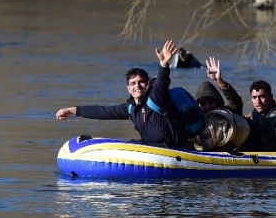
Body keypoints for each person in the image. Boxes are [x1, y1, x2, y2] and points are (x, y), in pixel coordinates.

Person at [55, 39, 194, 149]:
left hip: (173, 149)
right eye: (133, 83)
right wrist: (72, 110)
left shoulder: (156, 97)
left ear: (147, 84)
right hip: (153, 148)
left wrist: (163, 64)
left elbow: (162, 83)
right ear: (128, 88)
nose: (137, 86)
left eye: (141, 82)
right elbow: (103, 112)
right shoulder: (130, 108)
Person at [239, 80, 276, 165]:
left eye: (262, 97)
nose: (258, 102)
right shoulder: (257, 112)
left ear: (270, 97)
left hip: (271, 152)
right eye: (254, 97)